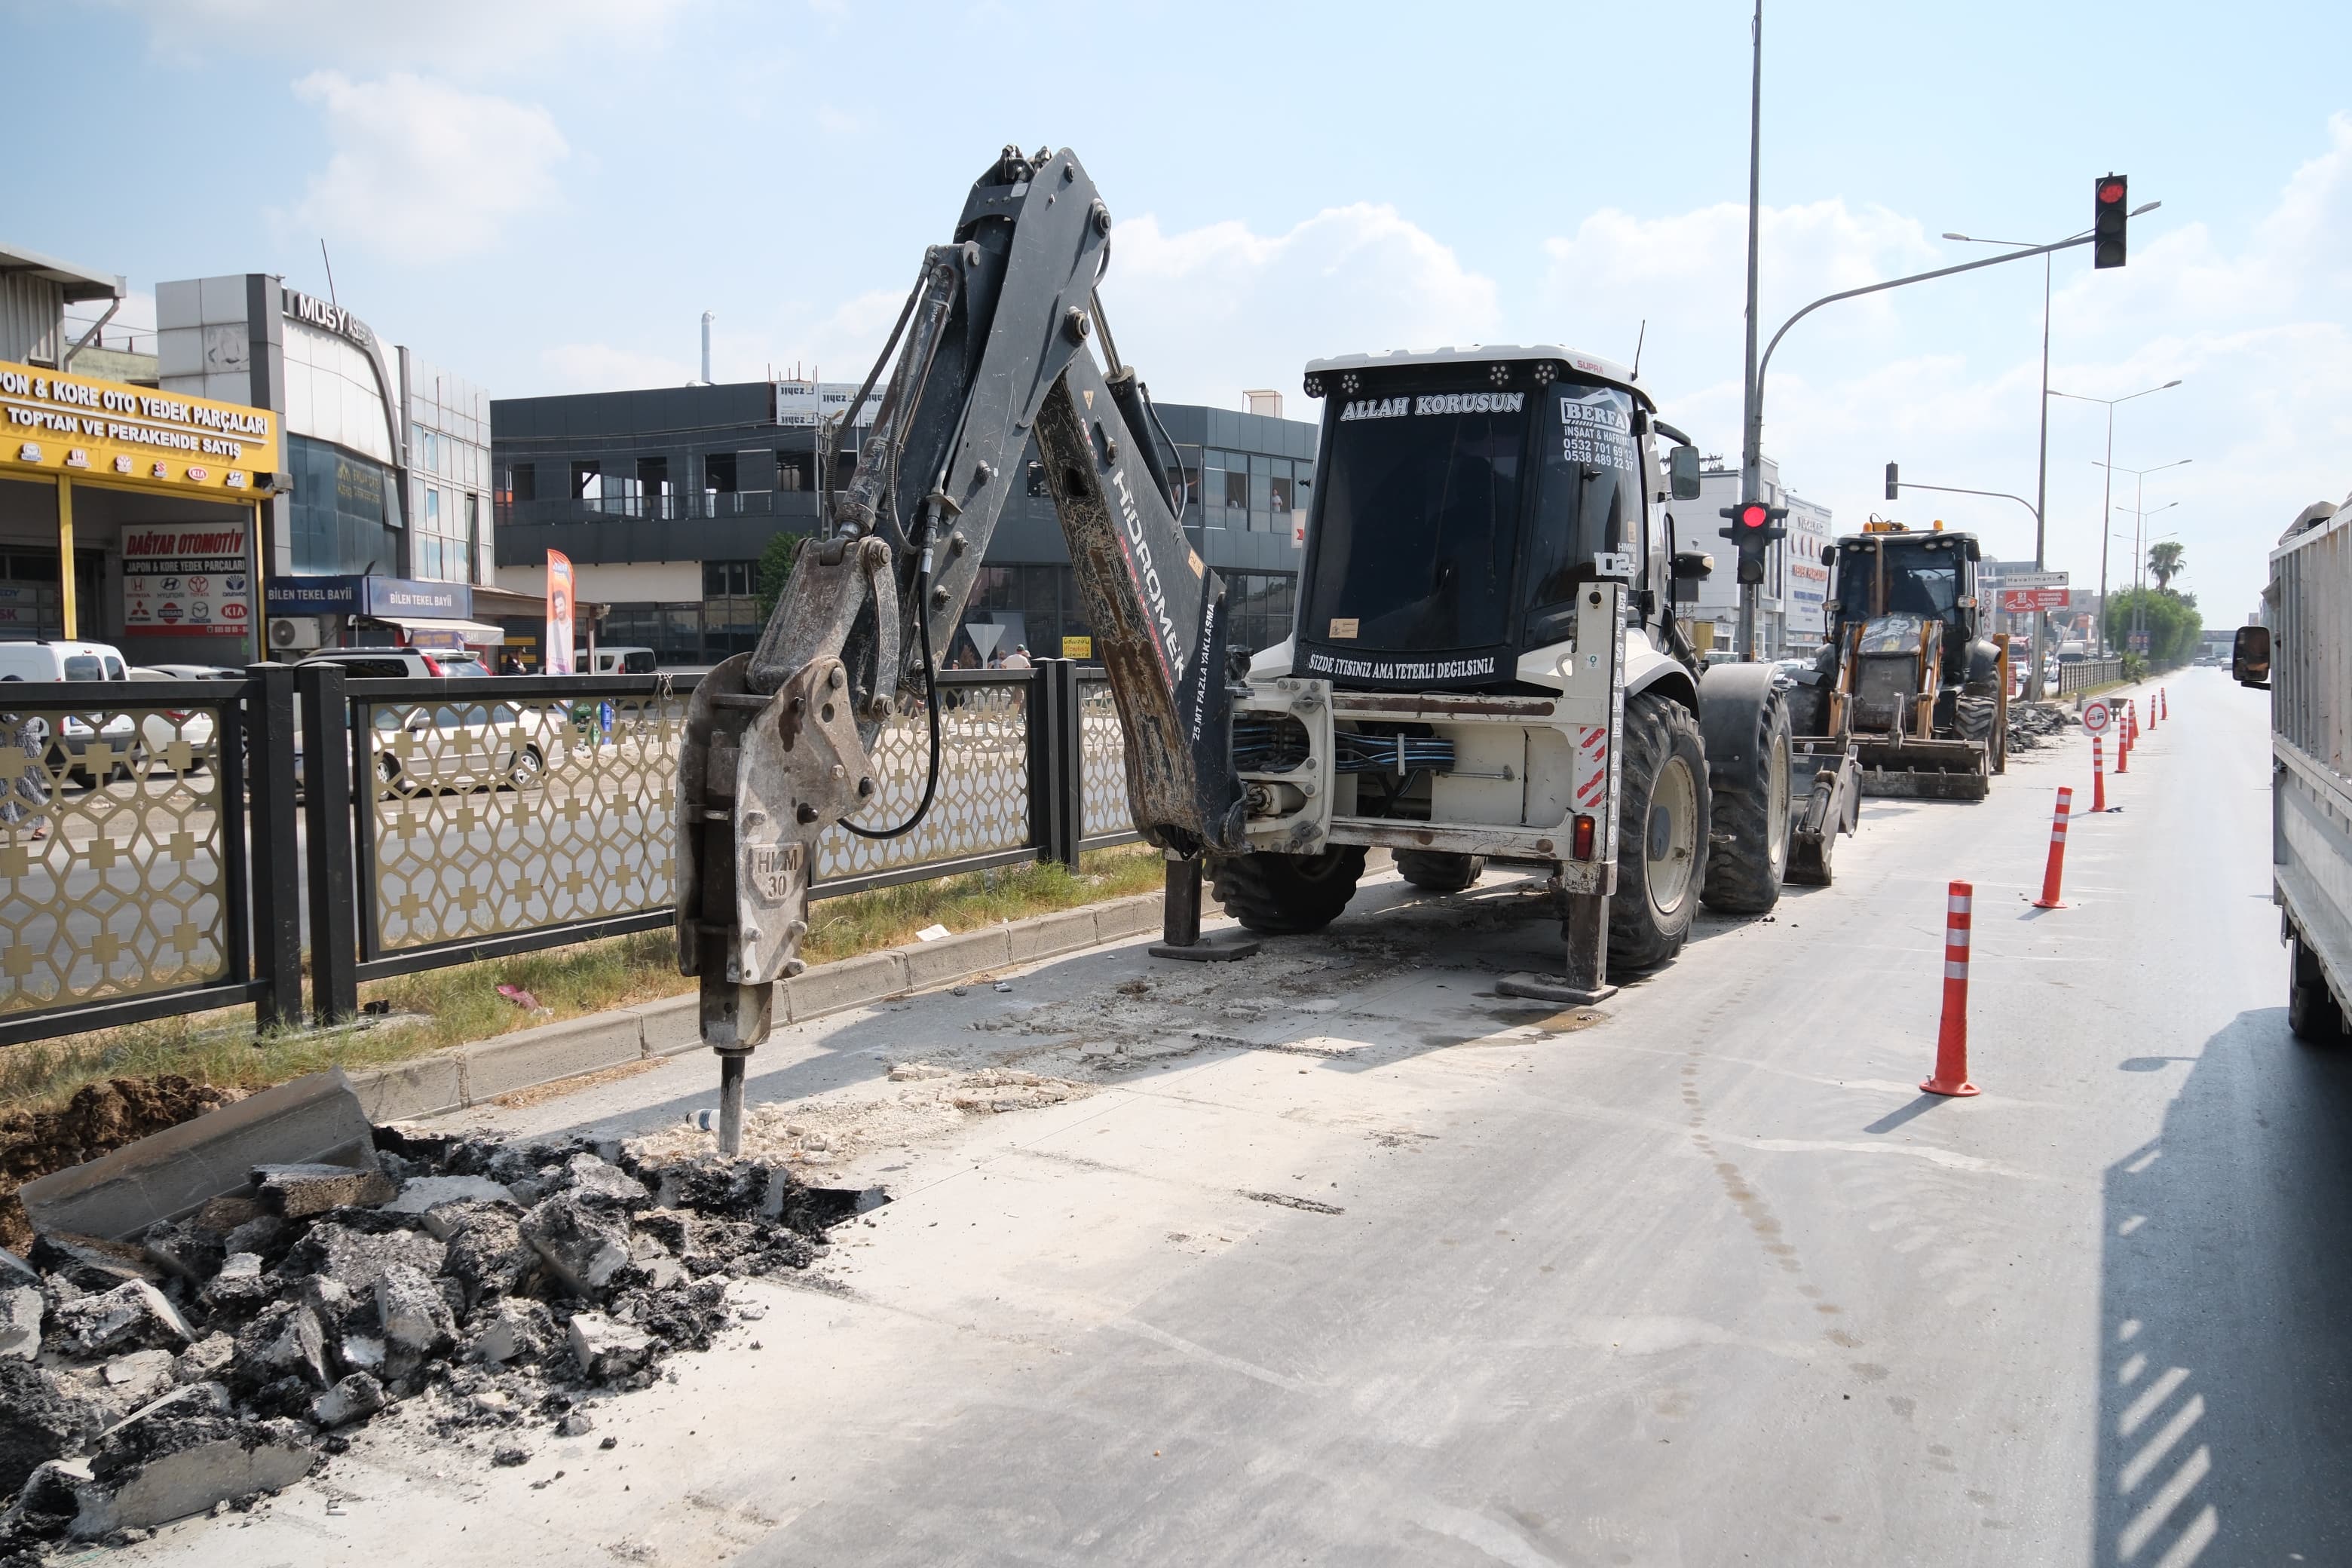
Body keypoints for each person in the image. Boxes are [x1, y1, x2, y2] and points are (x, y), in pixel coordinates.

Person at [0, 675, 50, 841]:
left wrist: (5, 717)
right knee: (5, 791)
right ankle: (4, 822)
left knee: (31, 791)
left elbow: (21, 728)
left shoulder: (29, 709)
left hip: (28, 755)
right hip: (6, 753)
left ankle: (41, 824)